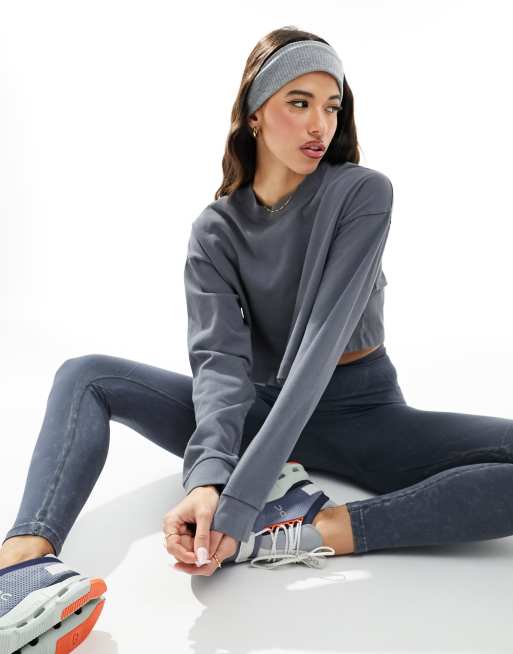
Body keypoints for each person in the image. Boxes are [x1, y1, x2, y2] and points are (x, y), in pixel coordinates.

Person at [3, 24, 513, 648]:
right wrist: (206, 479)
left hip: (365, 416)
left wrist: (239, 505)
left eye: (331, 106)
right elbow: (220, 363)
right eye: (299, 102)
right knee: (87, 374)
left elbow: (319, 348)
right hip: (259, 412)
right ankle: (21, 566)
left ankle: (317, 528)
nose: (319, 125)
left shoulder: (361, 193)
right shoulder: (215, 230)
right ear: (254, 114)